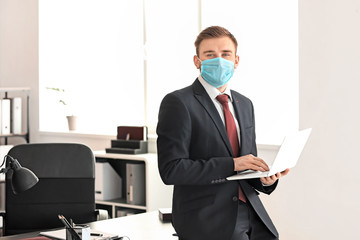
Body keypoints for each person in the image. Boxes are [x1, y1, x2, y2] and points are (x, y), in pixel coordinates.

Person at [156, 26, 289, 240]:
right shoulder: (179, 103)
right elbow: (171, 170)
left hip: (252, 215)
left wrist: (265, 179)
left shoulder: (245, 104)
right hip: (207, 219)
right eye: (210, 55)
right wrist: (233, 164)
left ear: (236, 61)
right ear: (197, 61)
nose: (219, 60)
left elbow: (247, 166)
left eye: (226, 54)